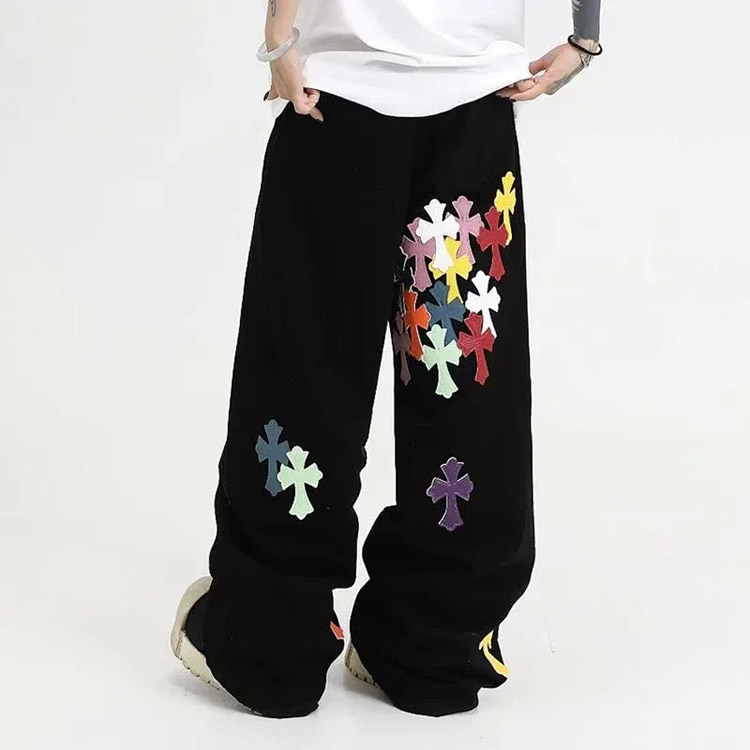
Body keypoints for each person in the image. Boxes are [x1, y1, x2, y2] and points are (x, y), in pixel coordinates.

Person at [170, 0, 603, 719]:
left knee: (306, 373)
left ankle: (271, 641)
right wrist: (586, 34)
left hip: (336, 102)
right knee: (463, 381)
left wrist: (279, 34)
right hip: (475, 102)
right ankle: (437, 641)